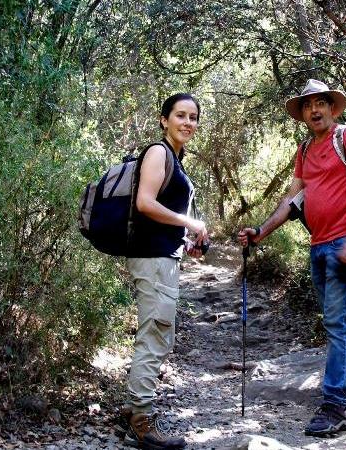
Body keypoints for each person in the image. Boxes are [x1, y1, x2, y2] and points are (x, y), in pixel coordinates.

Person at [237, 79, 346, 437]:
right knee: (341, 323)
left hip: (345, 244)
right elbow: (291, 200)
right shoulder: (304, 150)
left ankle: (335, 406)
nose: (315, 110)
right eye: (307, 105)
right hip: (318, 247)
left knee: (337, 324)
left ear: (332, 108)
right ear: (301, 114)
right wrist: (260, 231)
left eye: (321, 103)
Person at [121, 93, 208, 450]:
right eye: (180, 115)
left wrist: (186, 240)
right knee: (156, 337)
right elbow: (145, 203)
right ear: (164, 120)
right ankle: (141, 423)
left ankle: (133, 411)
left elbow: (157, 215)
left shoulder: (176, 158)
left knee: (157, 334)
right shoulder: (159, 152)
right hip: (152, 259)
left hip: (161, 255)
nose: (187, 123)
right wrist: (189, 221)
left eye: (193, 117)